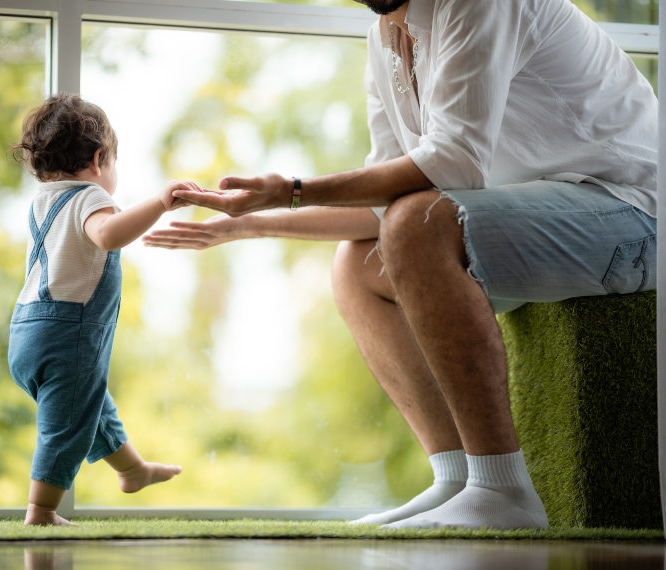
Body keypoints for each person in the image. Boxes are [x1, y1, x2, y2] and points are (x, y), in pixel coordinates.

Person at [143, 0, 657, 529]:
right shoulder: (383, 39)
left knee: (417, 221)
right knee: (358, 265)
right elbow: (380, 205)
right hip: (546, 218)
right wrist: (244, 224)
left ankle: (502, 491)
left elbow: (452, 164)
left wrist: (293, 191)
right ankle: (458, 479)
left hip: (631, 212)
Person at [8, 94, 192, 526]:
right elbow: (108, 234)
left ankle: (133, 470)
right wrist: (160, 204)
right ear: (98, 159)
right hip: (66, 333)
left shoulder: (42, 201)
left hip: (25, 332)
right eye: (113, 163)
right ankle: (41, 511)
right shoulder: (89, 195)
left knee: (88, 404)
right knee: (65, 427)